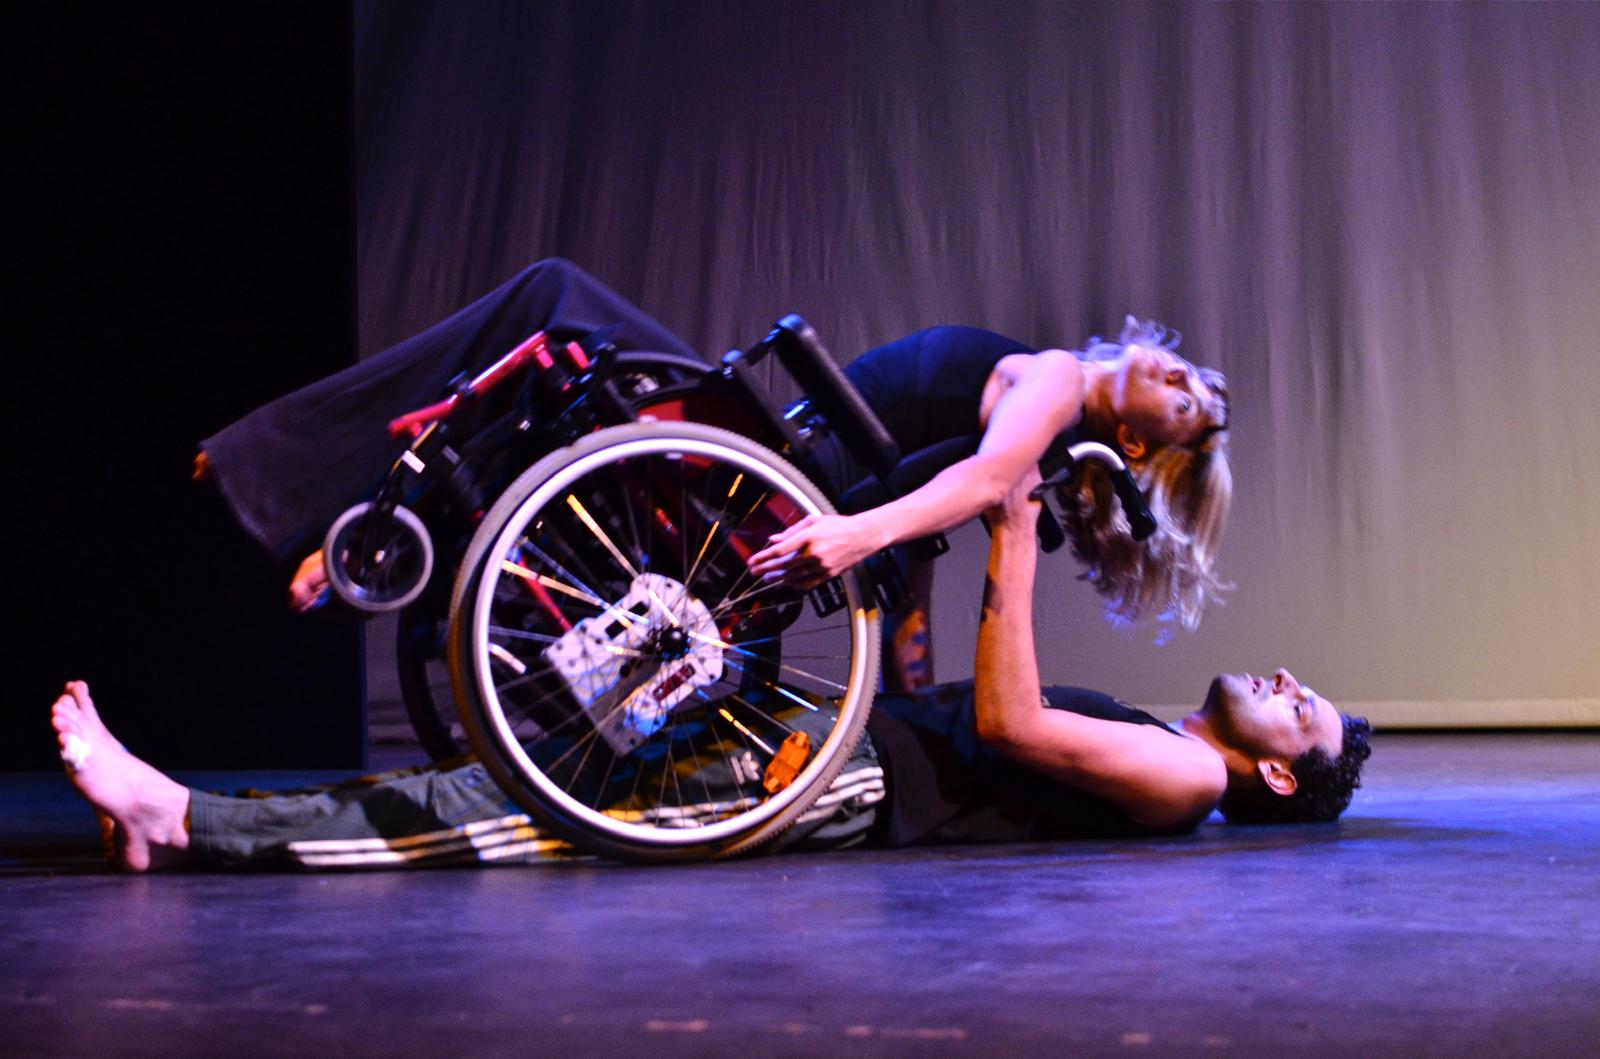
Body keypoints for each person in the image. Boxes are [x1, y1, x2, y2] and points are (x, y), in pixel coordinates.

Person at [52, 474, 1369, 872]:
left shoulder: (1186, 778)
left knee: (501, 815)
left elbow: (1012, 723)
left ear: (1273, 772)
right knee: (509, 781)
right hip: (823, 750)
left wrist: (1012, 542)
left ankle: (185, 817)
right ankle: (189, 820)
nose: (1285, 676)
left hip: (820, 779)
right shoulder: (1170, 748)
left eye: (1300, 706)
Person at [198, 259, 1232, 689]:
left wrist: (853, 540)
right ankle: (378, 528)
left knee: (554, 298)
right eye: (1189, 370)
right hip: (770, 468)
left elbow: (966, 490)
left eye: (1189, 404)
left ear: (1141, 450)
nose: (1181, 377)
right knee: (554, 364)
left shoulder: (1055, 384)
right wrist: (907, 687)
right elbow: (928, 509)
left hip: (767, 474)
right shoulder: (1046, 404)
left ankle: (322, 497)